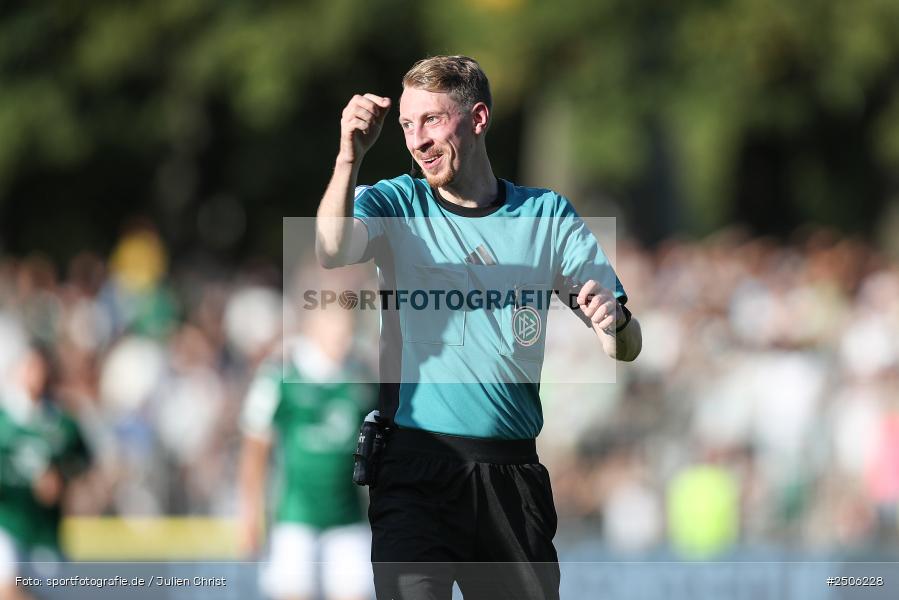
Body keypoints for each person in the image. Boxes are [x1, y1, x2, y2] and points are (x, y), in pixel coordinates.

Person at [315, 55, 642, 600]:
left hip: (510, 477)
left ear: (478, 119)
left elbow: (624, 347)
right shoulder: (397, 201)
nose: (416, 140)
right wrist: (349, 157)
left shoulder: (547, 216)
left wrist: (616, 321)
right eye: (406, 125)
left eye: (432, 121)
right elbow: (330, 249)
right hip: (414, 470)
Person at [238, 306, 376, 600]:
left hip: (347, 515)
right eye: (336, 331)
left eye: (347, 332)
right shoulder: (280, 377)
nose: (343, 339)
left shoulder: (361, 379)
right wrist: (250, 512)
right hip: (295, 515)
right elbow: (255, 447)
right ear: (313, 330)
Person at [0, 344, 91, 600]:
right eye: (29, 367)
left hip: (45, 533)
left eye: (40, 368)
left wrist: (61, 477)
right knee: (7, 589)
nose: (35, 375)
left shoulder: (63, 424)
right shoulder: (3, 420)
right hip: (7, 524)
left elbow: (83, 463)